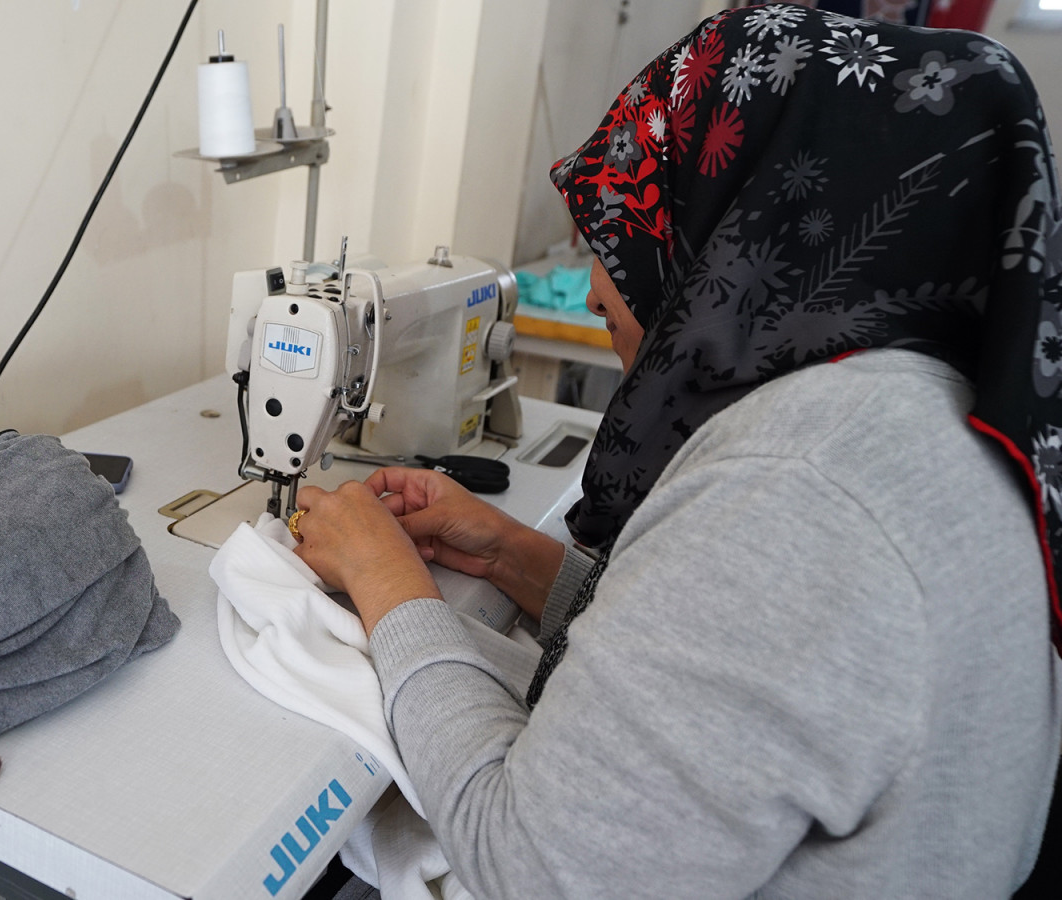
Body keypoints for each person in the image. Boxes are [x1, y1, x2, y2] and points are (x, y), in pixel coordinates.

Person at [290, 5, 1062, 897]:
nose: (594, 291)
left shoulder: (797, 493)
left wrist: (386, 580)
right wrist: (512, 557)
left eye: (624, 235)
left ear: (746, 225)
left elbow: (534, 869)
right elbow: (739, 681)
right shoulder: (908, 411)